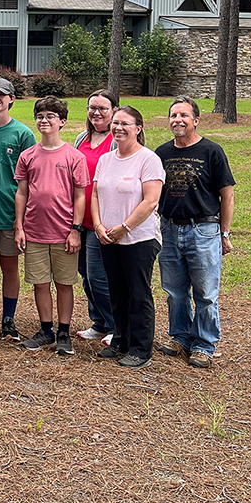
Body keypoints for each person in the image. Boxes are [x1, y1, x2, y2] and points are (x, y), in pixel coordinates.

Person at [155, 96, 235, 369]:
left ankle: (204, 344)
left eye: (184, 116)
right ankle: (180, 337)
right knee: (174, 291)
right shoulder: (161, 153)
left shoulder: (212, 151)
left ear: (196, 120)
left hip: (203, 229)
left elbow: (227, 195)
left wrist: (224, 234)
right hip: (168, 228)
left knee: (205, 292)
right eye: (173, 115)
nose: (178, 120)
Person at [91, 107, 164, 369]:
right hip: (108, 238)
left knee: (138, 293)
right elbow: (96, 194)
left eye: (125, 123)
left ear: (138, 128)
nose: (118, 128)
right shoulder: (106, 160)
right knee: (117, 292)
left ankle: (141, 348)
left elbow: (150, 200)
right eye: (115, 123)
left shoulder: (148, 159)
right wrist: (98, 225)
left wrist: (124, 227)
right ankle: (120, 340)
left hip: (139, 239)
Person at [15, 96, 88, 356]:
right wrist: (20, 226)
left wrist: (75, 230)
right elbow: (22, 192)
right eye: (40, 116)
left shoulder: (74, 157)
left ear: (63, 122)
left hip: (63, 232)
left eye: (50, 117)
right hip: (34, 231)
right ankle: (45, 329)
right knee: (40, 282)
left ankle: (63, 331)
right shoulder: (28, 156)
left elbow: (80, 195)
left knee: (64, 283)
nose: (44, 121)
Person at [0, 78, 36, 342]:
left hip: (12, 211)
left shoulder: (22, 134)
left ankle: (8, 319)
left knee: (10, 265)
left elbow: (31, 179)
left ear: (11, 99)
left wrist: (22, 219)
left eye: (0, 95)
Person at [73, 90, 118, 345]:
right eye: (92, 107)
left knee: (98, 276)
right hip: (81, 219)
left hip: (102, 220)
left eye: (103, 108)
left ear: (113, 110)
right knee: (84, 274)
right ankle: (99, 323)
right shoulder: (82, 138)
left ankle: (115, 325)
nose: (97, 113)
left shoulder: (115, 138)